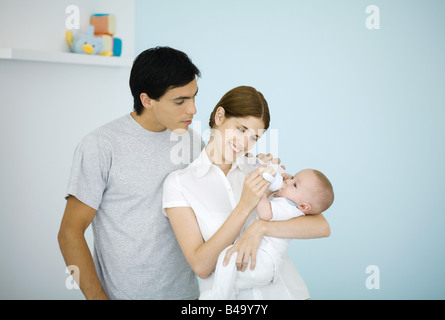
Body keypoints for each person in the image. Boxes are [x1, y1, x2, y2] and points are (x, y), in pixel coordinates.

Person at [57, 47, 203, 299]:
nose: (193, 109)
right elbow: (69, 233)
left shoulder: (193, 144)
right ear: (147, 100)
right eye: (180, 101)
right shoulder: (101, 145)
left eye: (194, 97)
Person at [163, 86, 331, 299]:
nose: (245, 143)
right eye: (241, 129)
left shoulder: (258, 167)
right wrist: (245, 206)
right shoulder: (180, 184)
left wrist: (260, 228)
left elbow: (321, 226)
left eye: (254, 138)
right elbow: (201, 266)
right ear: (220, 116)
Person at [200, 168, 334, 299]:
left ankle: (218, 295)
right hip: (264, 266)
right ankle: (223, 293)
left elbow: (265, 214)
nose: (287, 181)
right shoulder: (289, 204)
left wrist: (260, 192)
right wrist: (282, 181)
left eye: (294, 184)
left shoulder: (289, 208)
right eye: (293, 176)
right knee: (231, 279)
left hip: (264, 261)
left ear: (304, 206)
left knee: (227, 258)